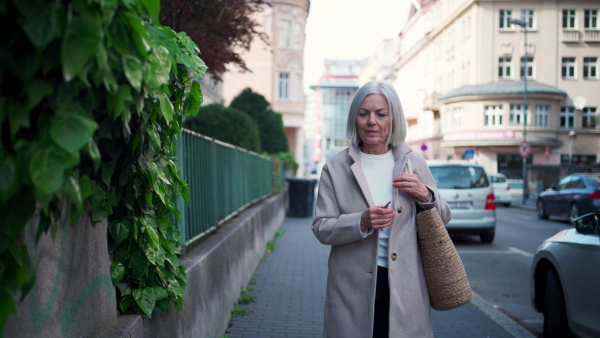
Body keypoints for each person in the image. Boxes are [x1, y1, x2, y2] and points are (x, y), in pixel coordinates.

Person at [312, 81, 451, 338]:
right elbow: (321, 227)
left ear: (393, 118)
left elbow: (443, 217)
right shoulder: (336, 167)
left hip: (406, 286)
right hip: (351, 288)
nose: (371, 121)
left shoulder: (413, 161)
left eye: (380, 114)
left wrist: (425, 194)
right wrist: (360, 221)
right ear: (355, 119)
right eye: (363, 114)